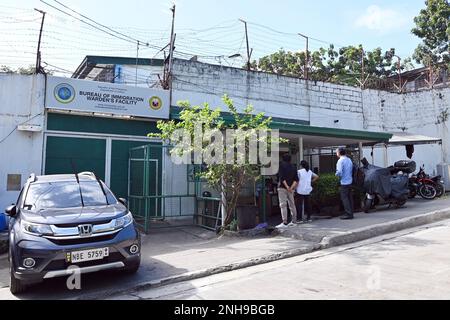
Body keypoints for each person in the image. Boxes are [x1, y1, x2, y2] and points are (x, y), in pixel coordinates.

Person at [276, 153, 299, 228]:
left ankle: (284, 222)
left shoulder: (281, 165)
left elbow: (282, 178)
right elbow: (296, 179)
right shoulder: (293, 167)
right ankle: (294, 221)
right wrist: (291, 188)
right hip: (291, 189)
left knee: (283, 205)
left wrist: (287, 187)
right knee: (292, 204)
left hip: (282, 188)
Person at [335, 147, 354, 220]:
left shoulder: (340, 161)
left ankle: (348, 214)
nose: (336, 153)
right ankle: (351, 213)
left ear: (339, 153)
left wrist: (336, 174)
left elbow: (339, 172)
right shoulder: (349, 159)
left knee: (344, 198)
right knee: (350, 198)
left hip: (344, 182)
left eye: (337, 152)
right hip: (350, 181)